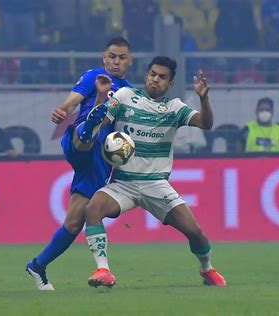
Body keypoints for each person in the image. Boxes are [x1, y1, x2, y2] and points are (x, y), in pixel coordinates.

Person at [80, 56, 227, 288]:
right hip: (124, 183)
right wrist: (97, 108)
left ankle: (207, 268)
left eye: (162, 77)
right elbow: (101, 119)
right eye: (152, 74)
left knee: (196, 232)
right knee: (93, 209)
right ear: (146, 75)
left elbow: (206, 124)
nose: (155, 80)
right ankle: (103, 270)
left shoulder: (174, 108)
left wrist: (203, 98)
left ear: (169, 83)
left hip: (156, 184)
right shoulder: (125, 97)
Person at [25, 37, 133, 291]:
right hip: (78, 140)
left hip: (99, 159)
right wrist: (62, 110)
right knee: (87, 131)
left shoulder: (130, 92)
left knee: (74, 224)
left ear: (129, 61)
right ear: (104, 58)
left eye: (121, 58)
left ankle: (37, 266)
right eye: (112, 56)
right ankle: (94, 118)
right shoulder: (95, 76)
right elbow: (73, 99)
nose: (115, 61)